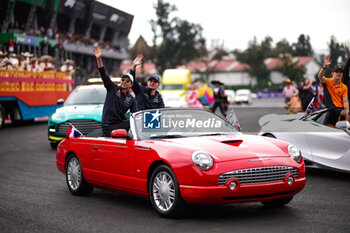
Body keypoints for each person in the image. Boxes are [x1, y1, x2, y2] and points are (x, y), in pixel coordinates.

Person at [94, 46, 138, 136]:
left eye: (127, 81)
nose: (124, 82)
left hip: (119, 125)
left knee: (135, 123)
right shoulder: (112, 88)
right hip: (108, 127)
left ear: (131, 85)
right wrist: (99, 59)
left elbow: (135, 116)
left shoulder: (131, 99)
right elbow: (103, 73)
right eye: (123, 80)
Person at [318, 56, 349, 126]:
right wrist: (324, 67)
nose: (339, 73)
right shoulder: (328, 81)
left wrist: (347, 110)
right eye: (337, 71)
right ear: (332, 73)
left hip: (340, 109)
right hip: (331, 109)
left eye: (341, 72)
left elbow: (345, 101)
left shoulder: (344, 87)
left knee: (348, 113)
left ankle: (347, 131)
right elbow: (320, 76)